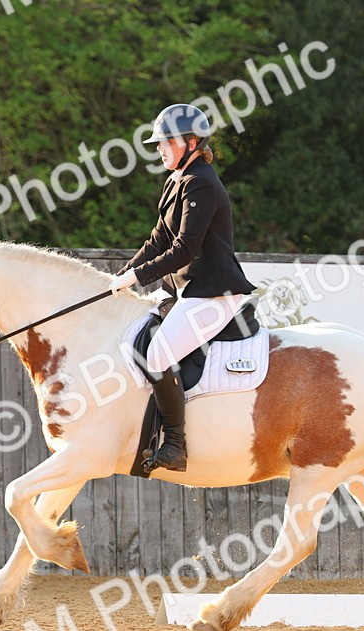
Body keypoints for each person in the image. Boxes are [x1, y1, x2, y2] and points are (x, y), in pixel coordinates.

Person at [109, 103, 257, 473]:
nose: (158, 148)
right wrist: (122, 275)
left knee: (158, 355)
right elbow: (158, 240)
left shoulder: (202, 182)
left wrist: (138, 278)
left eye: (165, 142)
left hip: (212, 292)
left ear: (191, 143)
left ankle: (175, 443)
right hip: (183, 291)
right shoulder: (177, 180)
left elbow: (185, 248)